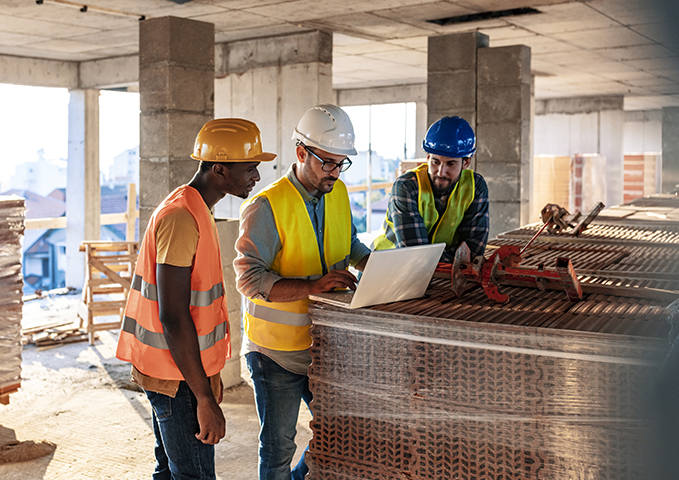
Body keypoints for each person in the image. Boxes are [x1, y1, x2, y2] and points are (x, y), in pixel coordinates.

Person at [116, 118, 275, 480]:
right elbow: (173, 315)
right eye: (250, 167)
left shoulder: (195, 207)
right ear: (219, 168)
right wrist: (203, 398)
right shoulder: (181, 218)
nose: (256, 176)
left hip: (180, 370)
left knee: (170, 472)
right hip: (177, 378)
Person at [234, 104, 371, 480]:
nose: (334, 172)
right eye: (327, 162)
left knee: (339, 432)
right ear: (301, 153)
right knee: (279, 446)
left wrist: (372, 264)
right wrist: (312, 287)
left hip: (325, 345)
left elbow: (350, 241)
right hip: (275, 352)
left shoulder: (338, 193)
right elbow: (248, 278)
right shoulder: (266, 206)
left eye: (341, 163)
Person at [372, 115, 489, 262]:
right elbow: (416, 255)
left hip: (437, 275)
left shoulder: (475, 187)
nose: (441, 172)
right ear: (427, 158)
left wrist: (463, 259)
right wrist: (459, 259)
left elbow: (473, 251)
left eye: (451, 164)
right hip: (385, 269)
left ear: (466, 163)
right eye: (435, 162)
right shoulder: (406, 187)